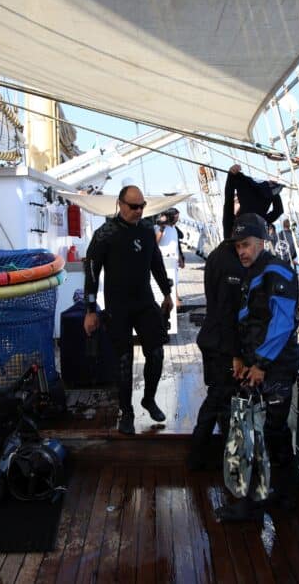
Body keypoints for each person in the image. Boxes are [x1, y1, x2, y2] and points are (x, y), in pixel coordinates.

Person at [217, 212, 299, 522]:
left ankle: (253, 504)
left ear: (262, 241)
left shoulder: (275, 272)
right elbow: (246, 320)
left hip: (275, 367)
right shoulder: (251, 273)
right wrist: (240, 358)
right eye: (238, 246)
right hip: (257, 364)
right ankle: (283, 494)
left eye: (247, 245)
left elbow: (282, 324)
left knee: (260, 433)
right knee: (267, 432)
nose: (242, 251)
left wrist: (262, 364)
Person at [84, 185, 174, 435]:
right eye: (134, 206)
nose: (138, 211)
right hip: (118, 307)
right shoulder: (105, 234)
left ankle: (149, 399)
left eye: (142, 206)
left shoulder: (146, 229)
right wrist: (90, 309)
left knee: (156, 353)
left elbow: (156, 262)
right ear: (120, 205)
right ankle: (127, 411)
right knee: (123, 363)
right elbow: (91, 272)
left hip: (145, 302)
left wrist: (166, 293)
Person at [187, 226, 245, 470]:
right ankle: (197, 457)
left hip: (212, 339)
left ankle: (213, 454)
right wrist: (236, 354)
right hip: (221, 344)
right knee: (217, 399)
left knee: (220, 399)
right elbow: (226, 311)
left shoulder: (217, 255)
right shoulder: (230, 263)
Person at [222, 164, 283, 240]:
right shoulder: (231, 222)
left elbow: (278, 210)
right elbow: (228, 200)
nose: (238, 203)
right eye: (236, 201)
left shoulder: (260, 220)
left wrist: (273, 191)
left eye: (238, 201)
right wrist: (230, 176)